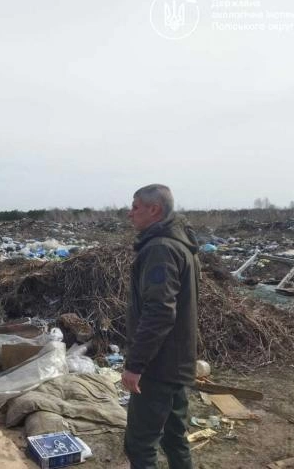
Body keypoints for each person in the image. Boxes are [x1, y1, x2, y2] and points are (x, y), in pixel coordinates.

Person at [122, 184, 200, 469]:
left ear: (154, 209)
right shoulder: (180, 244)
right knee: (174, 437)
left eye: (135, 207)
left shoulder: (161, 249)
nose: (130, 214)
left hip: (159, 366)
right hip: (176, 362)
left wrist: (136, 365)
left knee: (140, 444)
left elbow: (159, 312)